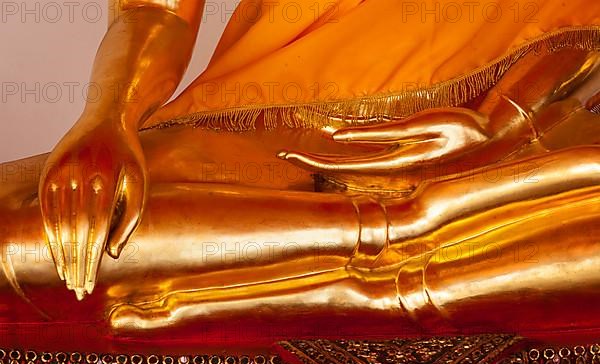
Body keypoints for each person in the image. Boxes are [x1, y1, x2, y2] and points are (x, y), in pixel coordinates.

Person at [0, 0, 600, 343]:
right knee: (16, 234)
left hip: (523, 109)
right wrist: (108, 116)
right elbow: (156, 10)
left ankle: (406, 236)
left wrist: (511, 115)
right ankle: (409, 228)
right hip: (269, 119)